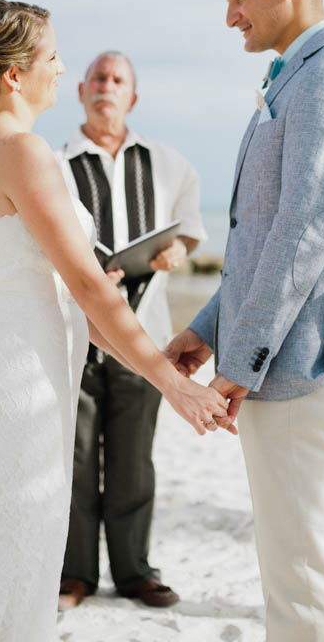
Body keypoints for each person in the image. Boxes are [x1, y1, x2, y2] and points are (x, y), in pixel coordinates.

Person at [0, 0, 229, 642]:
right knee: (13, 551)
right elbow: (86, 288)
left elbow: (72, 291)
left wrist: (154, 368)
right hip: (19, 382)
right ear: (15, 74)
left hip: (5, 362)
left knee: (6, 551)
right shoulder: (25, 149)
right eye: (52, 58)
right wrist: (173, 382)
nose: (63, 69)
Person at [166, 0, 324, 642]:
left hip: (295, 355)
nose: (231, 15)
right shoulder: (297, 74)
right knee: (287, 551)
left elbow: (303, 234)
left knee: (300, 558)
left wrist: (243, 360)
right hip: (274, 348)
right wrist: (207, 330)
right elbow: (260, 239)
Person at [55, 51, 207, 609]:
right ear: (80, 90)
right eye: (98, 77)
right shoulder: (53, 164)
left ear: (132, 97)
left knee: (134, 458)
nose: (107, 86)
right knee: (72, 457)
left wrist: (174, 252)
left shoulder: (168, 162)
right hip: (74, 335)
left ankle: (137, 572)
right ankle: (74, 575)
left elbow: (189, 230)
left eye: (118, 80)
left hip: (148, 334)